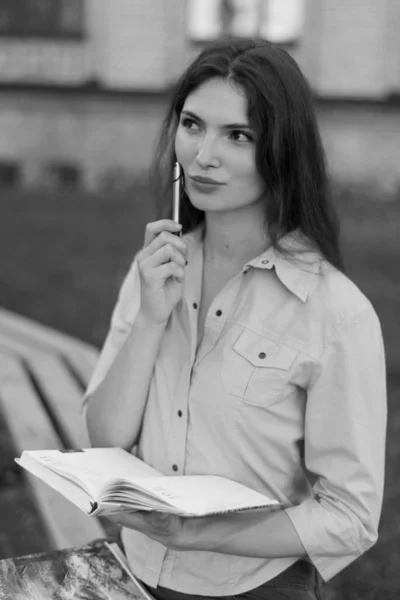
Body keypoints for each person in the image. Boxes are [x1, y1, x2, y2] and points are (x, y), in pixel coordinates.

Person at [83, 38, 387, 600]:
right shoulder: (155, 270)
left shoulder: (336, 315)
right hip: (134, 573)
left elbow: (350, 515)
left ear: (282, 152)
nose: (203, 156)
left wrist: (203, 534)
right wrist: (151, 318)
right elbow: (106, 437)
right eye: (193, 125)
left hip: (256, 588)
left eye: (238, 136)